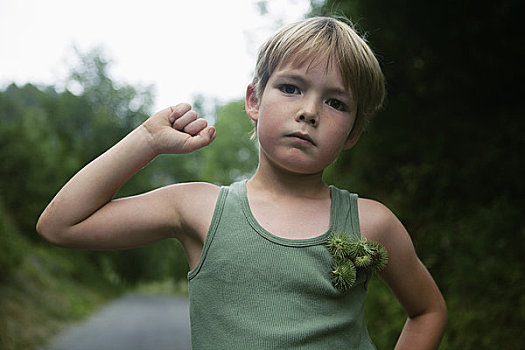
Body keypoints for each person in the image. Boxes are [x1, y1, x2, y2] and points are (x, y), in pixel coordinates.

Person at [37, 16, 447, 349]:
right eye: (291, 88)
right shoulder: (199, 209)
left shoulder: (371, 223)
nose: (309, 111)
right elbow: (60, 225)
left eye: (335, 102)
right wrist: (146, 141)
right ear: (254, 100)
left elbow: (428, 311)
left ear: (353, 133)